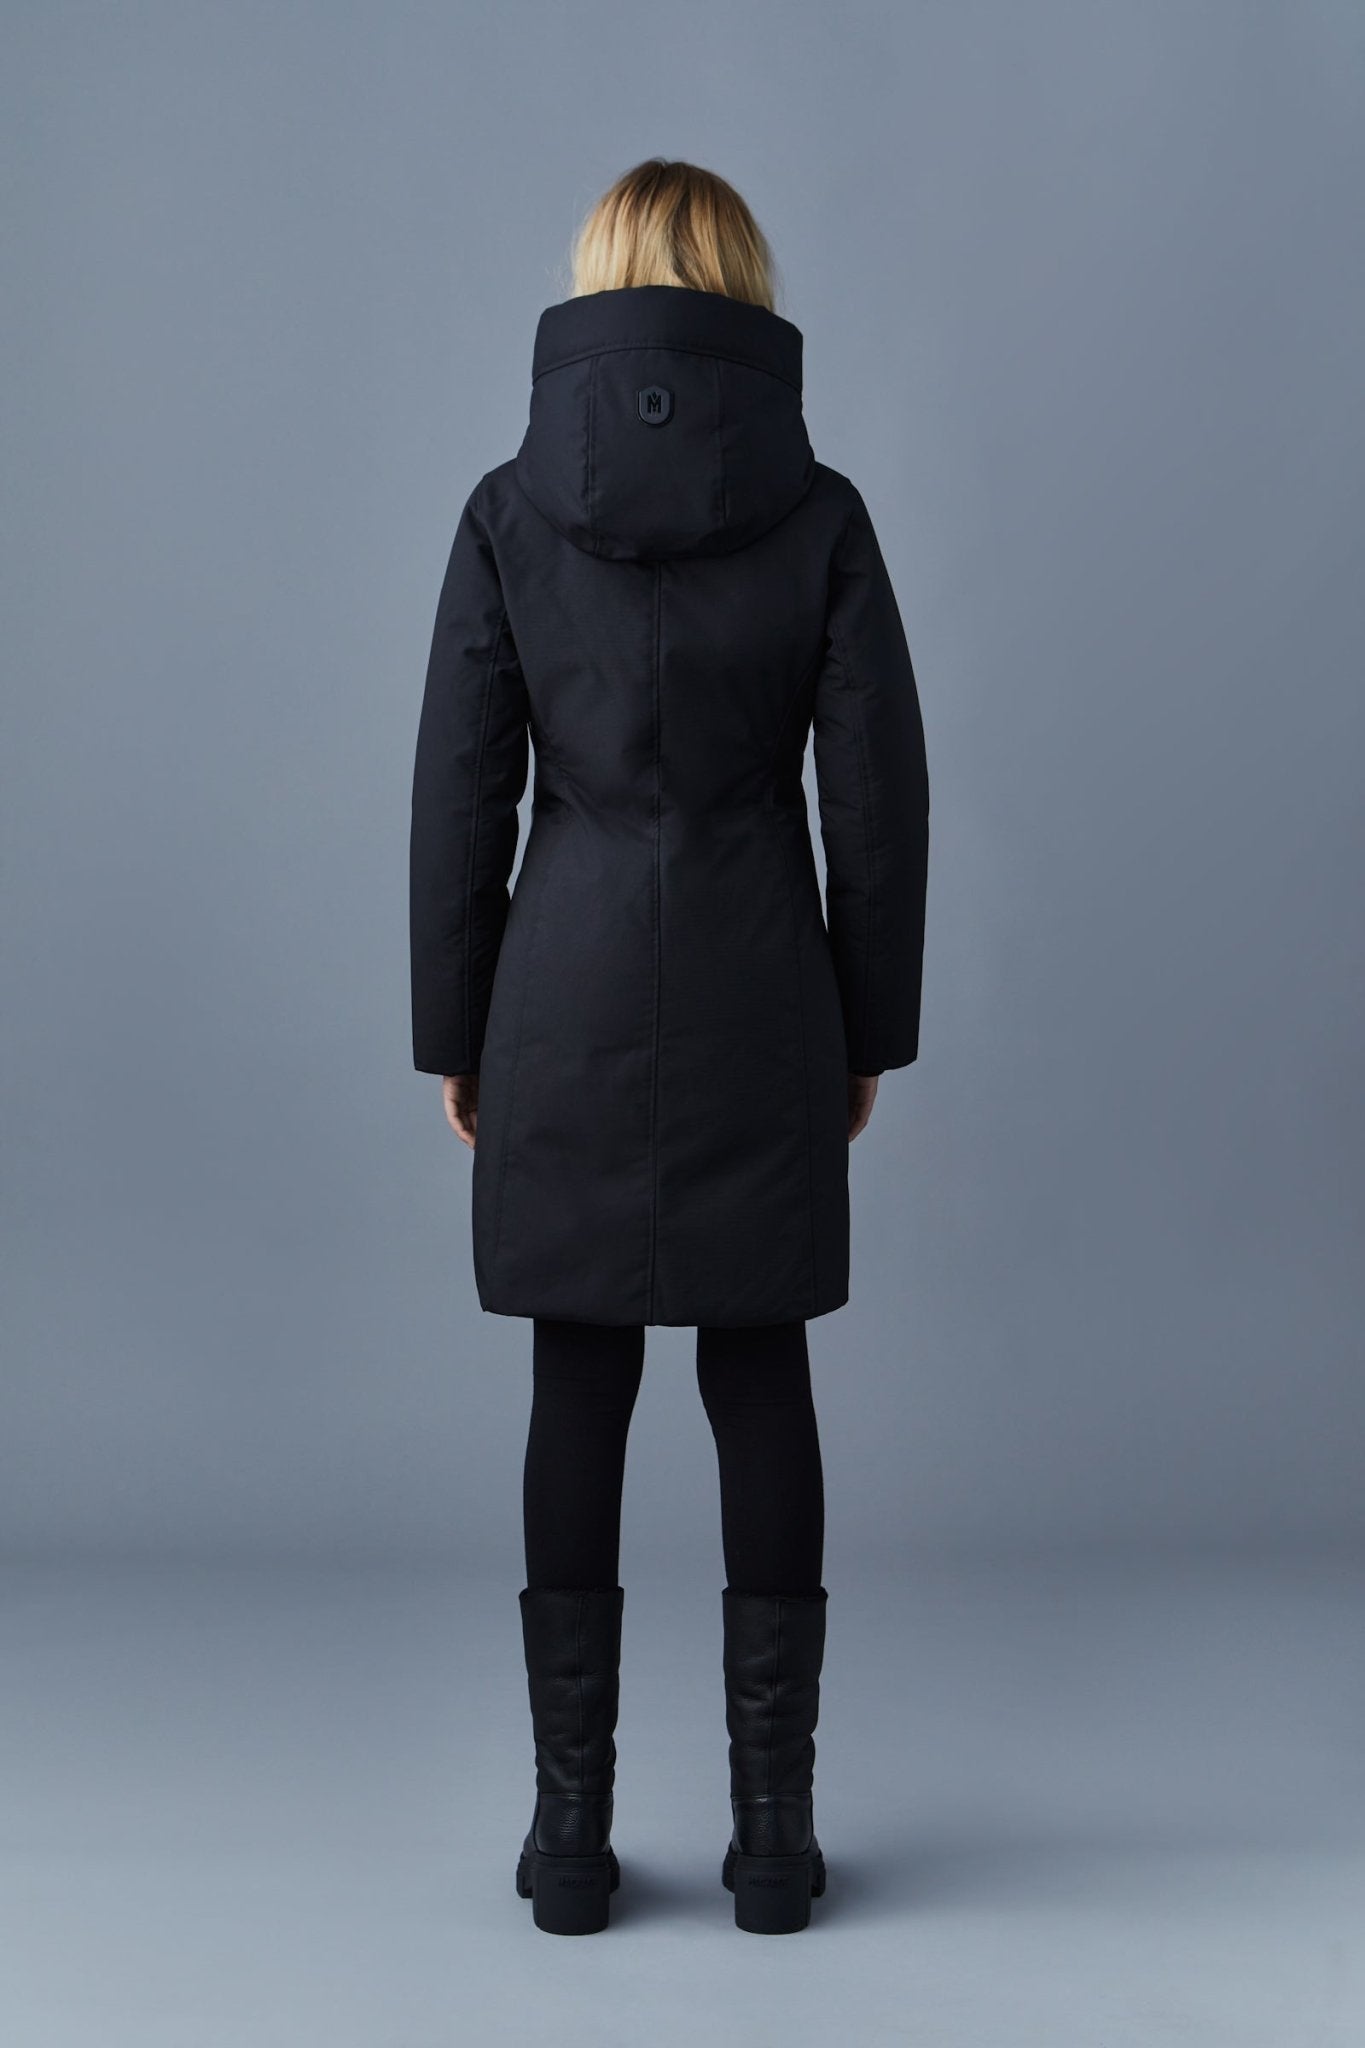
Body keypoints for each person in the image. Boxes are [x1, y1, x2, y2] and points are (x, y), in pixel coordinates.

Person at [409, 158, 929, 1936]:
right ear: (743, 282)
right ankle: (774, 1848)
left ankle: (568, 1847)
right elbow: (872, 799)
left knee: (577, 1378)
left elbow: (460, 793)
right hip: (757, 976)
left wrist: (457, 1028)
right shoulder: (820, 510)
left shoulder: (508, 506)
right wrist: (864, 1024)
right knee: (758, 1370)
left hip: (557, 990)